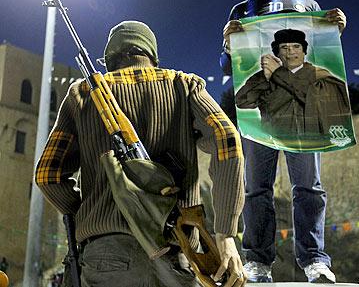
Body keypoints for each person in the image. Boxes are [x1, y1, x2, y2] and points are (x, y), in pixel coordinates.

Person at [36, 20, 247, 286]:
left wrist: (90, 211)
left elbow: (46, 175)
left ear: (110, 58)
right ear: (151, 56)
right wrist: (226, 233)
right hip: (177, 258)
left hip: (106, 258)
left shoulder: (82, 94)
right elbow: (226, 138)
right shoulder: (185, 85)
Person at [221, 0, 347, 283]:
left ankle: (315, 260)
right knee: (256, 190)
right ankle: (258, 262)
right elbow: (227, 69)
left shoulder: (309, 6)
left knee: (309, 188)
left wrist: (335, 32)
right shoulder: (243, 10)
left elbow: (324, 61)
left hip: (303, 124)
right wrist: (227, 45)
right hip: (261, 125)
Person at [235, 28, 351, 139]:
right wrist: (264, 77)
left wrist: (278, 73)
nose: (291, 51)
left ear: (304, 51)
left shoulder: (319, 76)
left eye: (296, 46)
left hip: (307, 139)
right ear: (277, 53)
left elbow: (322, 103)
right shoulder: (266, 75)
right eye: (284, 47)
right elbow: (242, 101)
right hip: (270, 140)